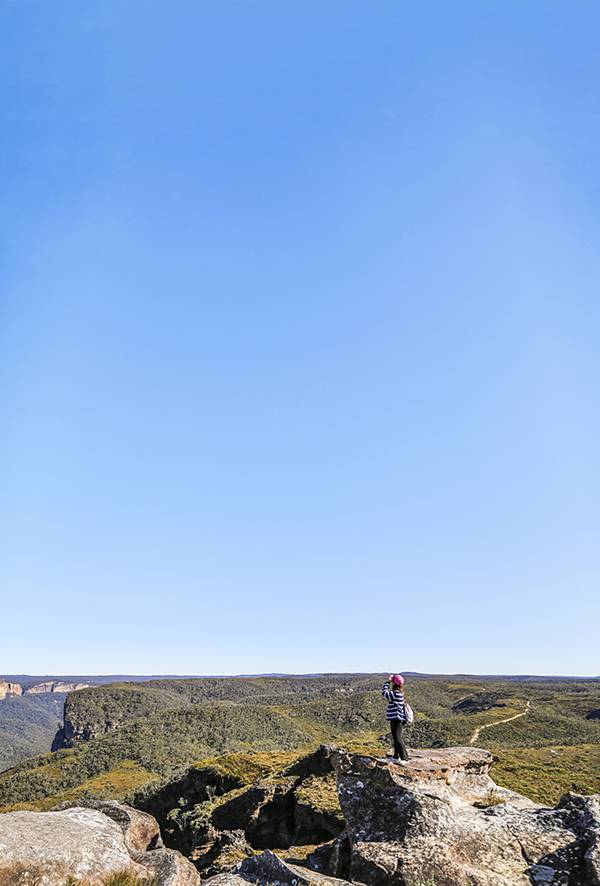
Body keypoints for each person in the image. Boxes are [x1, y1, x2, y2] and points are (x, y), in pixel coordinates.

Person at [382, 673, 409, 762]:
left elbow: (384, 692)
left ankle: (405, 758)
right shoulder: (399, 693)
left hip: (397, 719)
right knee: (395, 737)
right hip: (396, 718)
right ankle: (396, 757)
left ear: (394, 684)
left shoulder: (396, 694)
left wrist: (387, 682)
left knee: (397, 738)